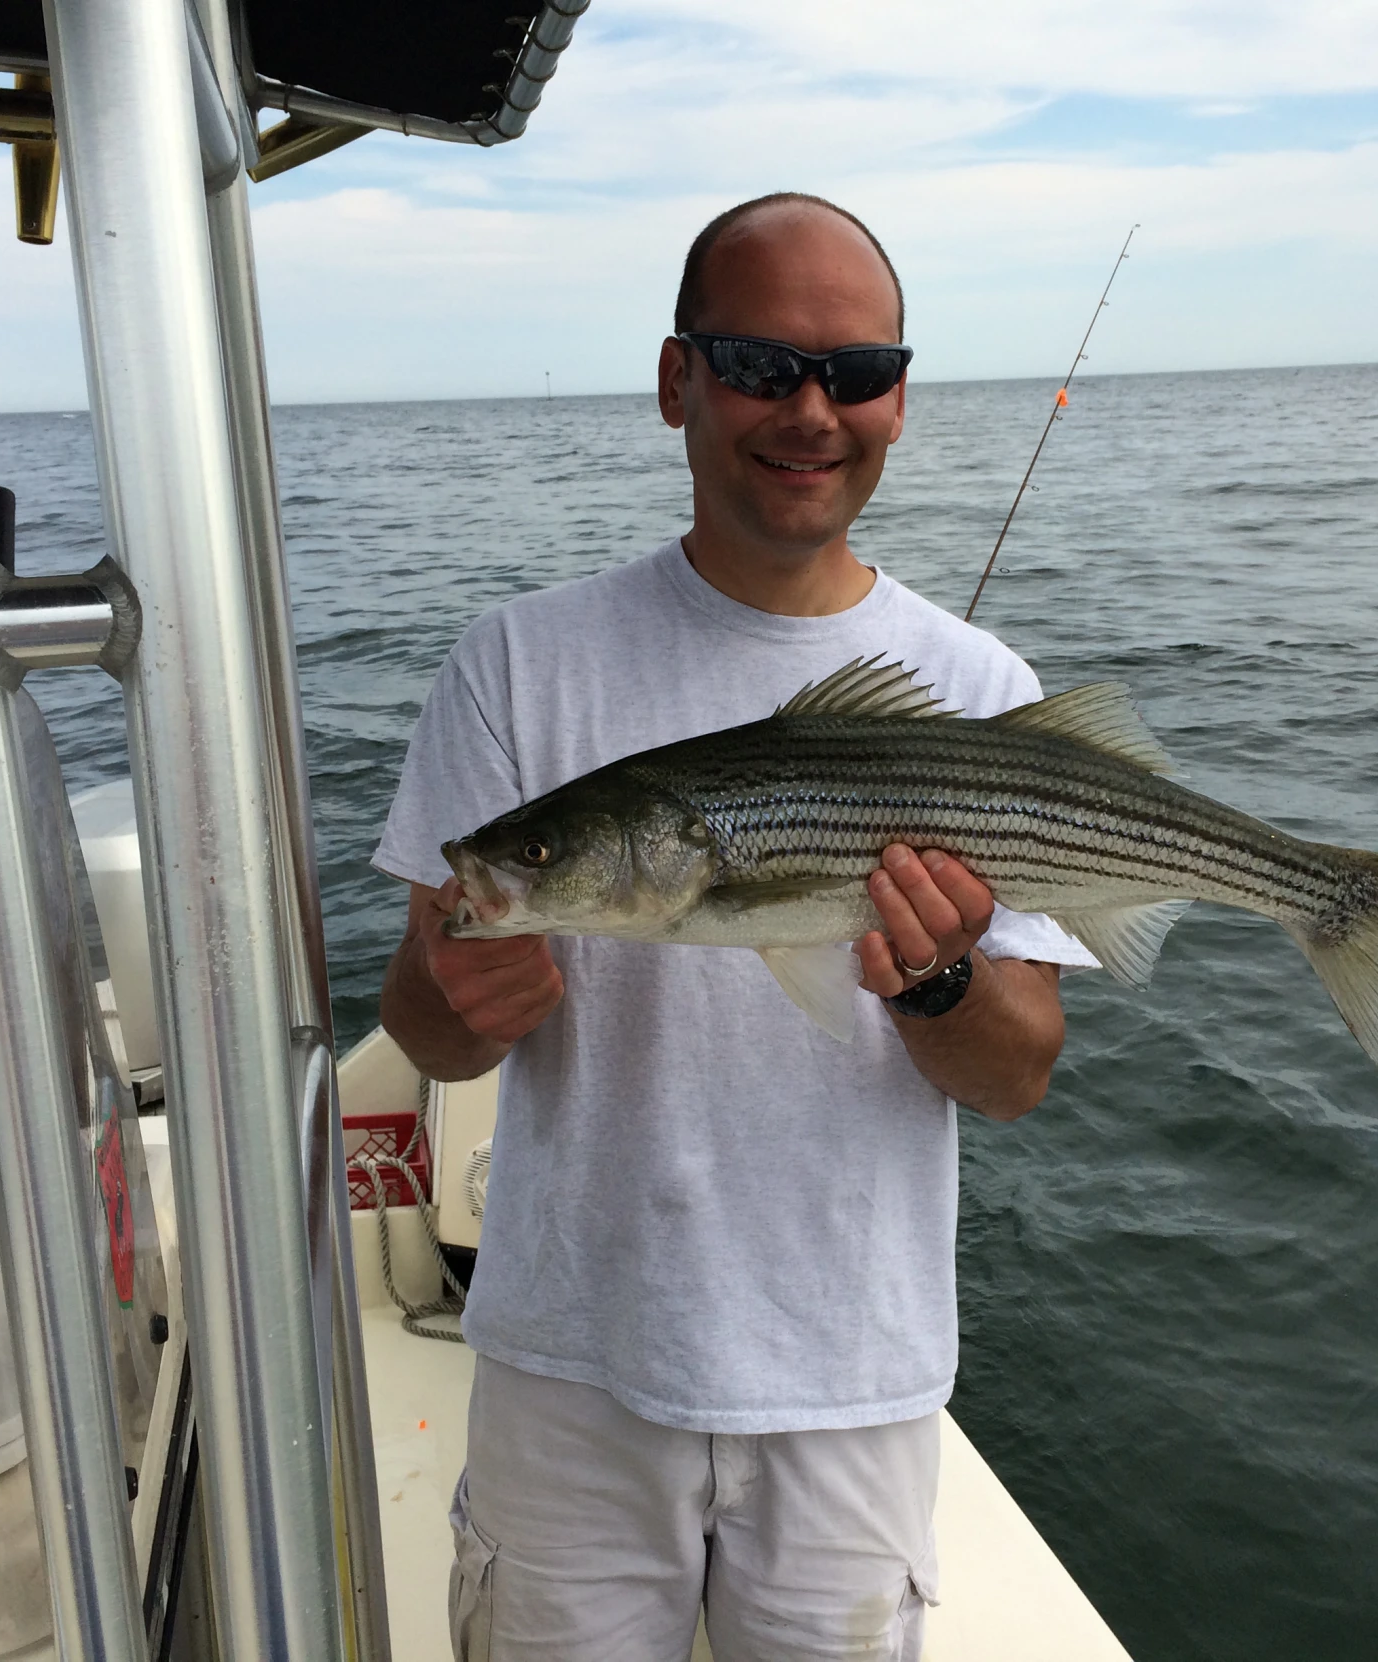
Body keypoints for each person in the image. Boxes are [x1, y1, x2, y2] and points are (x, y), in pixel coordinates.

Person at [375, 192, 1094, 1660]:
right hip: (572, 1362)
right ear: (675, 381)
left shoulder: (973, 679)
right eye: (760, 364)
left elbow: (1018, 1075)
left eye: (858, 370)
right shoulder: (519, 663)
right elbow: (422, 1026)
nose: (812, 409)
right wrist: (462, 994)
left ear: (900, 398)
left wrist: (939, 982)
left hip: (852, 1374)